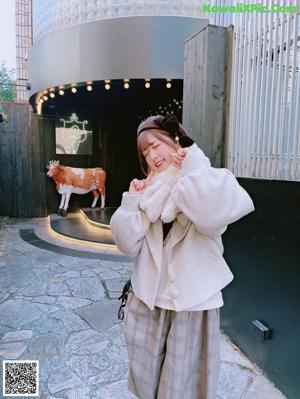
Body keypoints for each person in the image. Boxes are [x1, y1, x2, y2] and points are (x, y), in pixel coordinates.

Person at [110, 114, 255, 399]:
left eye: (155, 145)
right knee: (145, 378)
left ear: (175, 139)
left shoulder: (203, 178)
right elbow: (127, 244)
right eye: (145, 151)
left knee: (183, 386)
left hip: (191, 303)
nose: (151, 156)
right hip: (148, 300)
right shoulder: (148, 190)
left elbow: (211, 215)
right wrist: (132, 202)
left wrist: (192, 164)